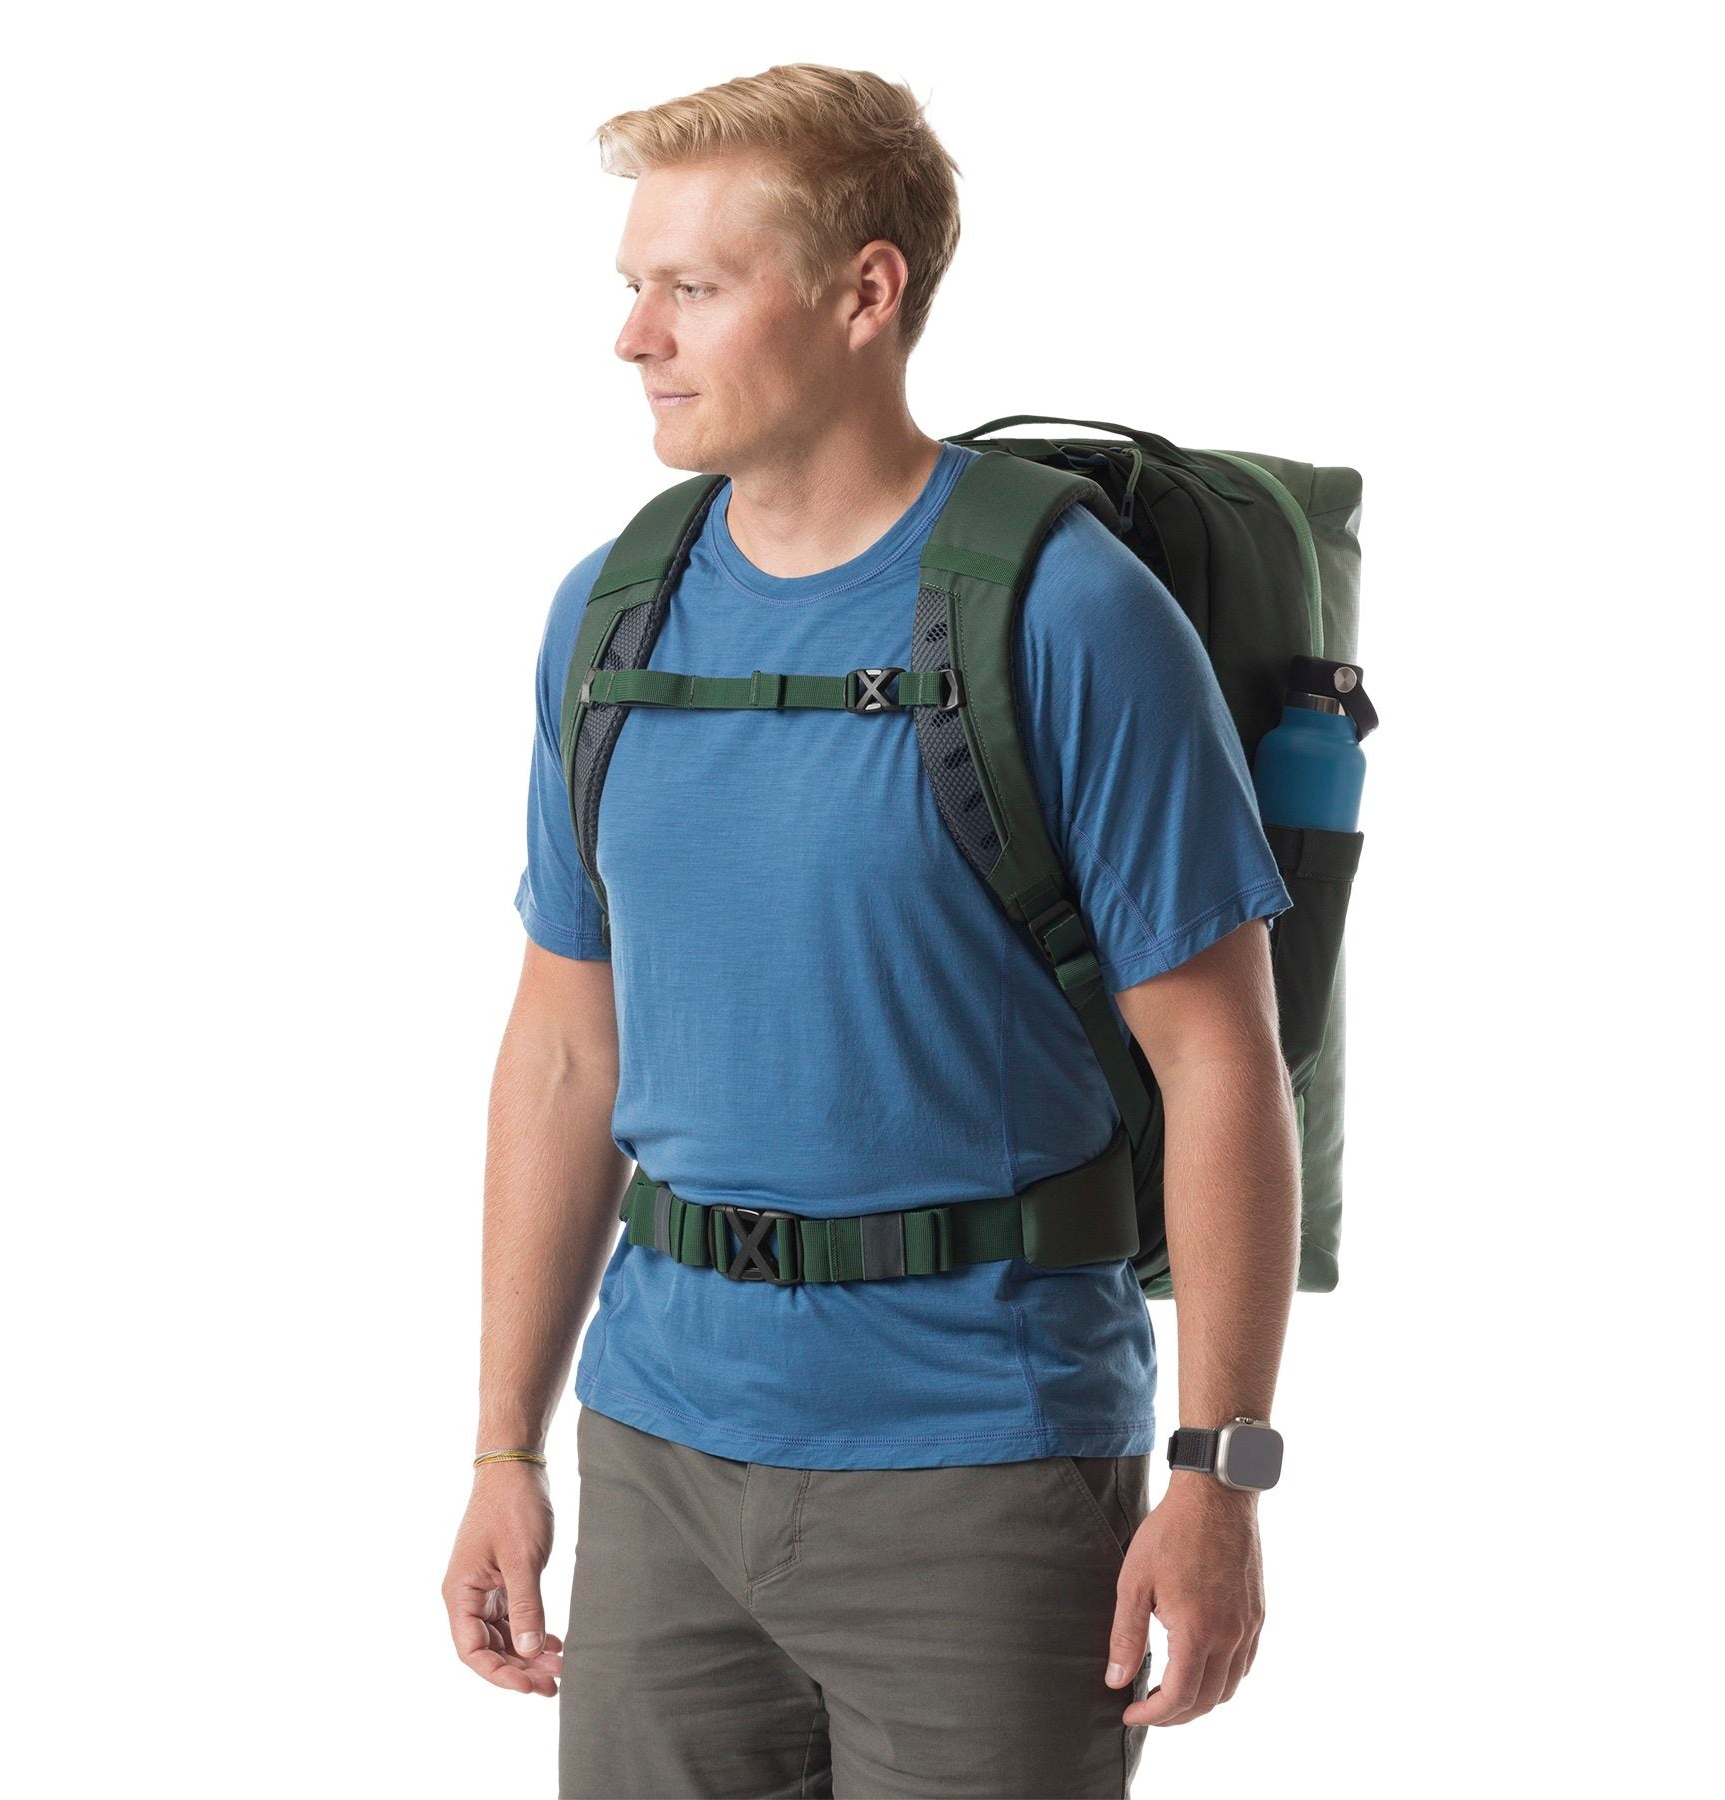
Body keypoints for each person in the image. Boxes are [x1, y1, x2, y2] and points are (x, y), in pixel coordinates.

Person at [441, 62, 1301, 1800]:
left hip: (984, 1468)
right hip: (659, 1452)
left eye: (692, 287)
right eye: (635, 285)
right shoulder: (611, 616)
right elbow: (565, 1048)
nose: (634, 337)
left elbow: (1220, 1058)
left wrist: (1217, 1475)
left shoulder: (1070, 615)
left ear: (865, 293)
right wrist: (501, 1449)